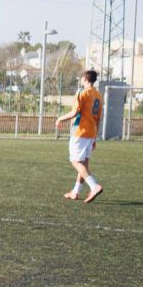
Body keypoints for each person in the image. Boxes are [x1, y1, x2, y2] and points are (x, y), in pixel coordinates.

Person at [55, 70, 104, 203]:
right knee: (83, 163)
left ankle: (94, 186)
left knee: (75, 161)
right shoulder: (98, 95)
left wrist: (60, 119)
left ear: (85, 79)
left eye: (81, 78)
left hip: (80, 131)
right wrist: (94, 137)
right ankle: (75, 192)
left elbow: (74, 112)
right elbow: (98, 118)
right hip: (90, 133)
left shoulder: (82, 93)